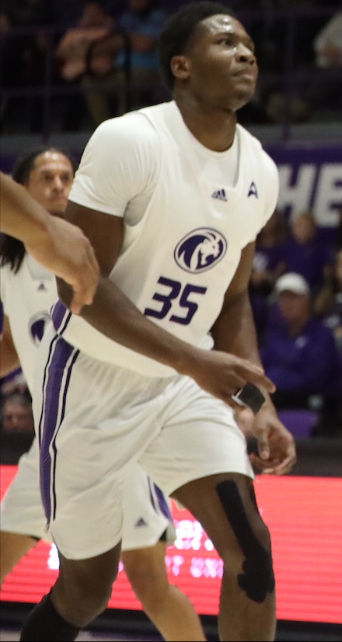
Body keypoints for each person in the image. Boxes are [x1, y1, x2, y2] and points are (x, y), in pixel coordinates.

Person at [21, 2, 294, 642]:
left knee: (251, 551)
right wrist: (195, 361)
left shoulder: (260, 169)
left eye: (250, 44)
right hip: (96, 380)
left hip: (180, 388)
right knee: (87, 590)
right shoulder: (131, 140)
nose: (246, 53)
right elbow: (77, 283)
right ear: (181, 66)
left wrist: (257, 402)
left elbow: (231, 299)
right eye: (226, 42)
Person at [0, 148, 202, 642]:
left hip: (115, 434)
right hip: (50, 443)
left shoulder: (97, 251)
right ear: (20, 192)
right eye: (46, 177)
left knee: (150, 582)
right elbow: (16, 341)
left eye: (67, 176)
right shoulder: (9, 266)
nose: (59, 185)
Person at [262, 272, 340, 410]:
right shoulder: (275, 335)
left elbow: (315, 377)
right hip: (273, 397)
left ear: (306, 299)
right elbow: (263, 369)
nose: (286, 304)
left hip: (304, 401)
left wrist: (276, 381)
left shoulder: (322, 335)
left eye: (292, 298)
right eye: (283, 299)